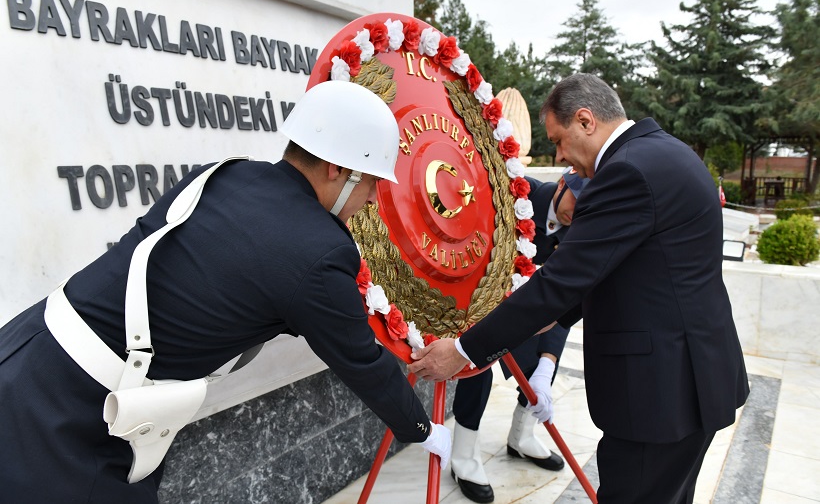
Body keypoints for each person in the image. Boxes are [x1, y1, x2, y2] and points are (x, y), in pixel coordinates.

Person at [0, 80, 451, 502]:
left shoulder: (224, 174)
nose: (373, 198)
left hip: (26, 347)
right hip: (70, 417)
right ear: (337, 170)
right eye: (371, 181)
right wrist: (424, 429)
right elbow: (363, 363)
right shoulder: (321, 252)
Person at [409, 73, 749, 503]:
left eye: (559, 140)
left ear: (586, 120)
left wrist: (462, 350)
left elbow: (560, 283)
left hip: (660, 396)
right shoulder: (668, 152)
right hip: (693, 380)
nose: (562, 158)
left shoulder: (626, 171)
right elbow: (617, 276)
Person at [450, 168, 588, 503]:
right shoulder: (515, 197)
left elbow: (561, 303)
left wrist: (545, 366)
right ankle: (463, 455)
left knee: (546, 360)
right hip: (481, 295)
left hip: (527, 309)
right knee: (477, 362)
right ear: (561, 185)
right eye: (576, 200)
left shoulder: (579, 231)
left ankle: (521, 436)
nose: (576, 212)